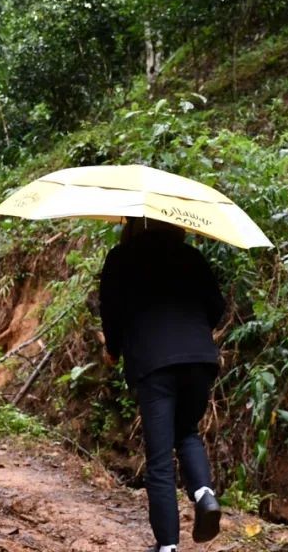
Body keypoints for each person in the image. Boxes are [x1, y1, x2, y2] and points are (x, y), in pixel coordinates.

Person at [98, 217, 226, 552]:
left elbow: (110, 310)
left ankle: (167, 546)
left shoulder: (122, 257)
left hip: (154, 362)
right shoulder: (191, 256)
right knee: (187, 430)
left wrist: (113, 349)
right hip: (199, 357)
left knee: (158, 458)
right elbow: (217, 307)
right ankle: (204, 493)